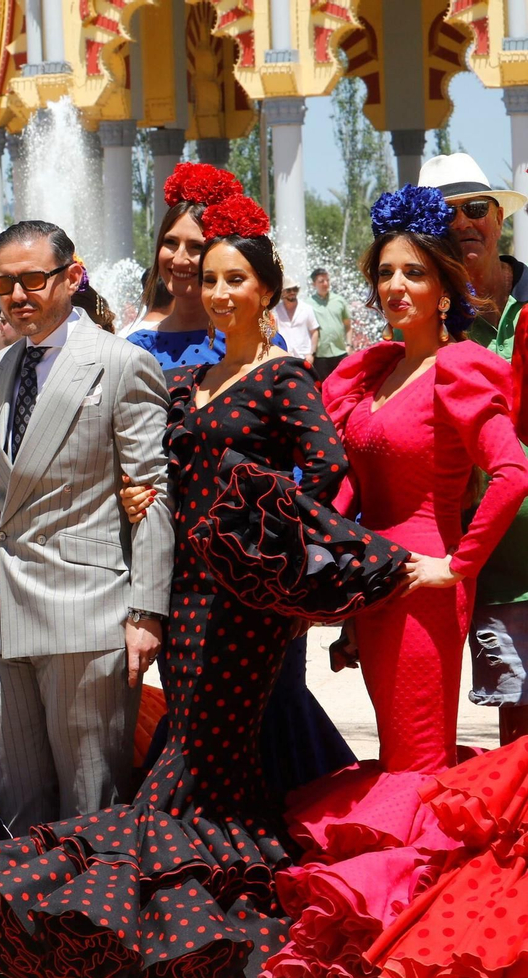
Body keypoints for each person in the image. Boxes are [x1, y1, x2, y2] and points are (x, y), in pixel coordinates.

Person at [0, 195, 410, 978]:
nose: (218, 290)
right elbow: (139, 480)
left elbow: (324, 470)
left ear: (268, 289)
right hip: (179, 596)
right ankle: (84, 935)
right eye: (211, 278)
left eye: (236, 279)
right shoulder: (187, 382)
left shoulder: (277, 376)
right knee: (178, 759)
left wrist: (260, 547)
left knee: (195, 764)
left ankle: (203, 934)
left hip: (230, 601)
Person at [260, 185, 528, 978]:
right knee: (399, 759)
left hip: (420, 593)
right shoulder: (372, 372)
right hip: (375, 591)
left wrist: (457, 564)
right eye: (385, 274)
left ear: (446, 287)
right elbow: (347, 487)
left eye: (414, 273)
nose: (396, 287)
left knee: (415, 769)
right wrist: (327, 582)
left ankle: (420, 962)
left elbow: (513, 473)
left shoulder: (460, 366)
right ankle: (406, 950)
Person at [0, 219, 173, 834]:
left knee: (91, 805)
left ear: (72, 277)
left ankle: (95, 901)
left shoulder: (121, 363)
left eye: (33, 279)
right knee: (19, 806)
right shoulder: (2, 365)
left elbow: (151, 492)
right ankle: (25, 903)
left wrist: (147, 611)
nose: (17, 295)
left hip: (86, 614)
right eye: (4, 282)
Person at [127, 163, 352, 803]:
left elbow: (320, 463)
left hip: (252, 582)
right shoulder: (150, 350)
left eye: (204, 255)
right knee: (207, 727)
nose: (185, 262)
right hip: (183, 575)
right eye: (174, 246)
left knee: (264, 714)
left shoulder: (271, 363)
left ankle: (270, 834)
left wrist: (280, 557)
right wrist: (136, 488)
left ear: (262, 285)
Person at [420, 152, 528, 743]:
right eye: (445, 214)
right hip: (496, 571)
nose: (463, 222)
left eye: (476, 208)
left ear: (499, 219)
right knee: (519, 743)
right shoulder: (426, 330)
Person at [307, 267, 352, 374]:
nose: (326, 284)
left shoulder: (339, 300)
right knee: (323, 384)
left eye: (327, 280)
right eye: (321, 281)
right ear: (313, 284)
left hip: (340, 352)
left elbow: (348, 326)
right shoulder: (307, 304)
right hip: (320, 355)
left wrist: (349, 345)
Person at [273, 276, 320, 358]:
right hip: (285, 355)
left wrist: (312, 353)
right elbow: (273, 334)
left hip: (304, 356)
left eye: (295, 289)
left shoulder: (307, 308)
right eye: (288, 290)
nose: (292, 292)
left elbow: (314, 331)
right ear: (281, 293)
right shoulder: (276, 311)